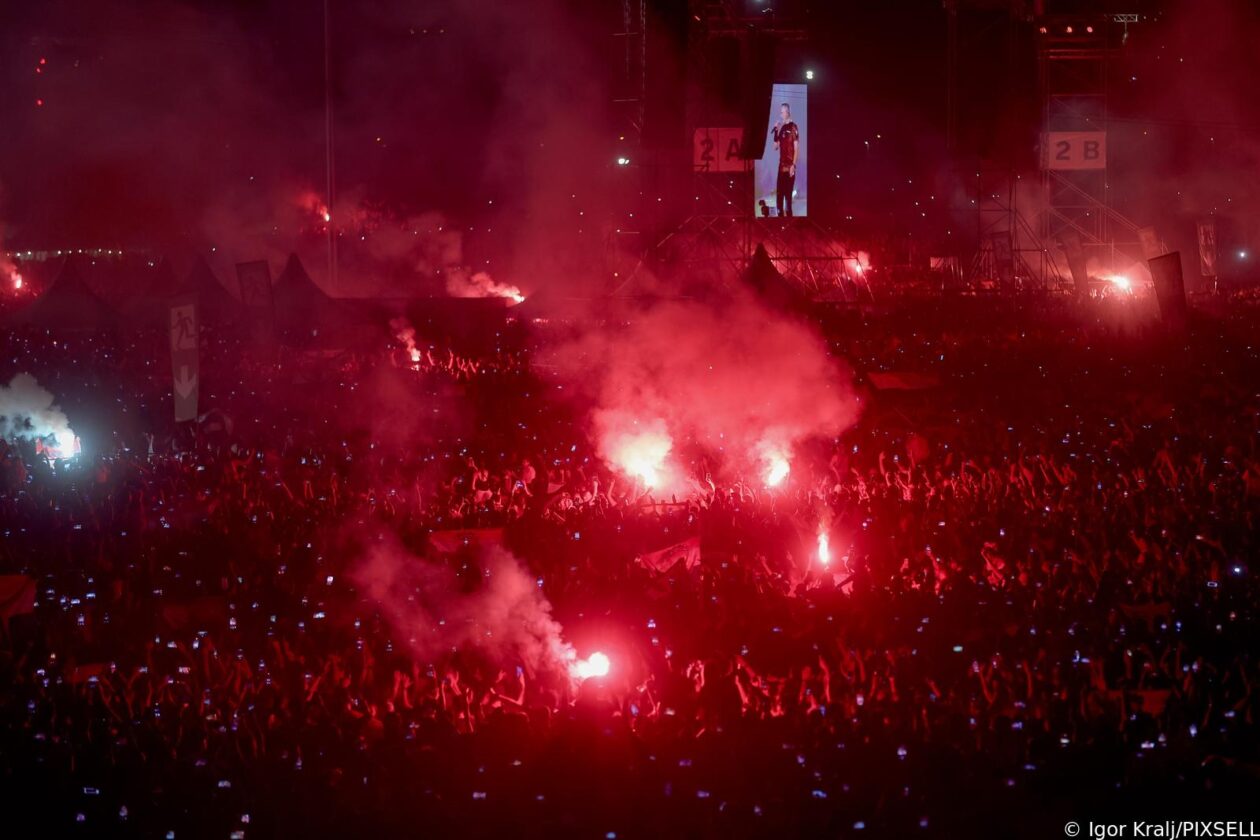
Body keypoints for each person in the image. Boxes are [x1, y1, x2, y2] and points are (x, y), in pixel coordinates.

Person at [771, 103, 799, 217]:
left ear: (787, 112)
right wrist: (776, 131)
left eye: (782, 112)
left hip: (789, 167)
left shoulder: (793, 127)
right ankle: (780, 220)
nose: (781, 114)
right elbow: (775, 147)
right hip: (781, 167)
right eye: (780, 112)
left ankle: (789, 221)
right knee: (779, 196)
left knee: (788, 198)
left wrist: (793, 165)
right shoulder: (782, 128)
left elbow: (796, 148)